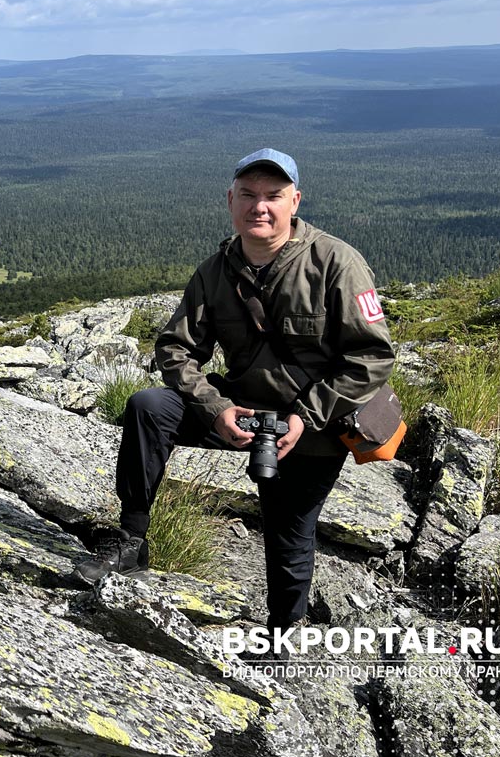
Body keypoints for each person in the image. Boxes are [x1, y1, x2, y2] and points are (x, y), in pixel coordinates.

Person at [74, 148, 396, 644]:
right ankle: (132, 539)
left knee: (289, 536)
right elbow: (177, 348)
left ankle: (281, 641)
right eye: (248, 195)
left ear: (296, 201)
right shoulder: (216, 271)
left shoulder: (337, 263)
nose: (259, 207)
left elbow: (372, 357)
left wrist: (303, 418)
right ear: (230, 200)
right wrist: (216, 408)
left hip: (314, 423)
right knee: (149, 407)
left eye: (273, 196)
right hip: (241, 409)